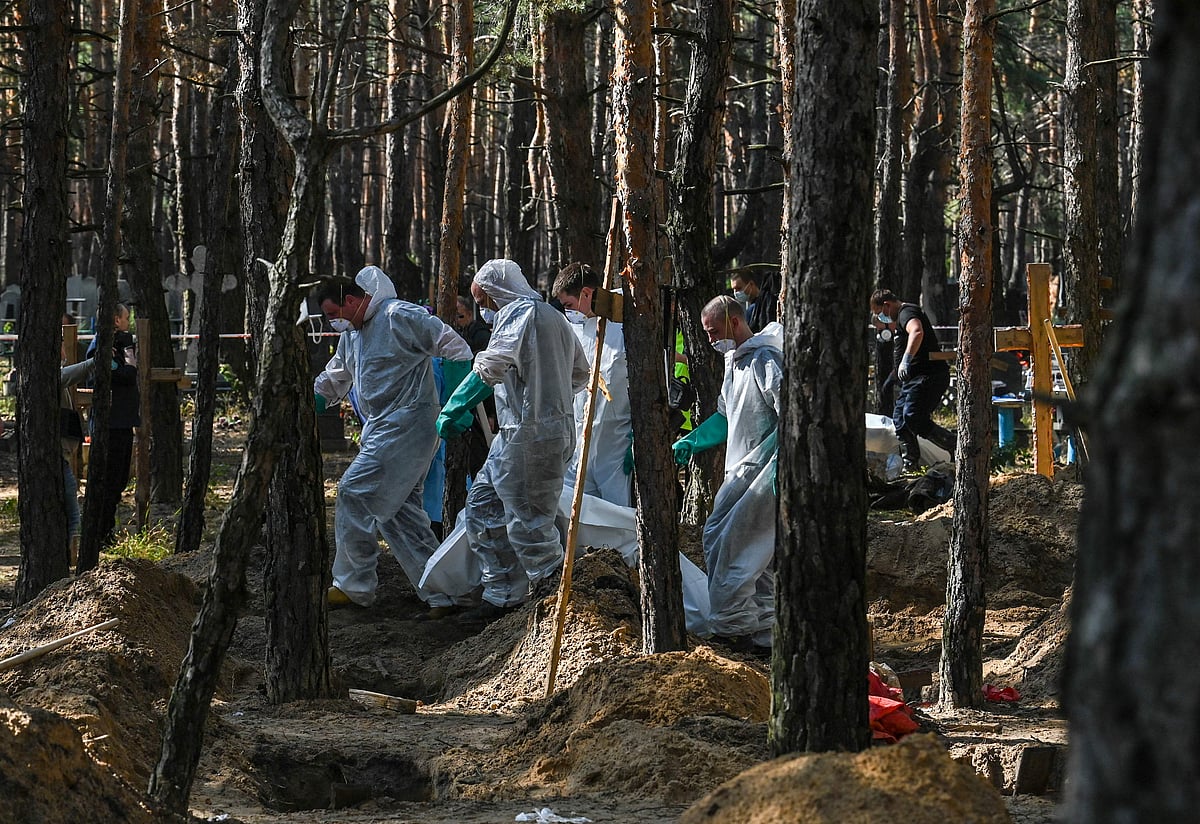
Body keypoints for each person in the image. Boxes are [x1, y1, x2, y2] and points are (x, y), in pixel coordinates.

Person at [314, 265, 473, 609]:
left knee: (354, 492)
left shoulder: (399, 316)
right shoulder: (353, 334)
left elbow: (455, 347)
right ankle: (443, 592)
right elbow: (336, 377)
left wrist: (456, 403)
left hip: (409, 423)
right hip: (381, 427)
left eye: (333, 313)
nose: (332, 322)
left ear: (353, 300)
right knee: (399, 514)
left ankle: (353, 584)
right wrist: (307, 402)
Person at [437, 259, 589, 619]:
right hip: (528, 432)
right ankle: (503, 593)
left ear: (497, 292)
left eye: (485, 300)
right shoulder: (556, 318)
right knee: (483, 505)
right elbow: (580, 372)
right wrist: (549, 396)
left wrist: (454, 406)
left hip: (530, 436)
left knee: (529, 522)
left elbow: (490, 366)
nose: (484, 310)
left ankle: (556, 602)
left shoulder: (520, 314)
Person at [672, 295, 781, 654]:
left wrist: (782, 467)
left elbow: (793, 414)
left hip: (763, 472)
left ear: (735, 322)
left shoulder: (766, 361)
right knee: (758, 558)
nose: (709, 340)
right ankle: (764, 632)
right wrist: (695, 440)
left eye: (713, 331)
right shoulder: (734, 363)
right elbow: (726, 415)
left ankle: (734, 629)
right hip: (742, 470)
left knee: (729, 545)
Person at [552, 262, 632, 507]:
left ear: (586, 293)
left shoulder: (625, 320)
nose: (569, 312)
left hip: (616, 437)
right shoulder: (575, 329)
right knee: (581, 504)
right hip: (581, 434)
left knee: (616, 508)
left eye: (569, 305)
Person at [869, 288, 956, 471]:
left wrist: (906, 360)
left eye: (880, 313)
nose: (882, 318)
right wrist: (894, 375)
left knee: (913, 417)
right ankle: (911, 466)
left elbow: (917, 331)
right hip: (914, 379)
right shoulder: (899, 319)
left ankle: (954, 444)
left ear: (887, 305)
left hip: (928, 375)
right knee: (900, 422)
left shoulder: (906, 312)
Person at [85, 302, 139, 548]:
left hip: (123, 422)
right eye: (126, 318)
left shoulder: (122, 343)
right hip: (109, 424)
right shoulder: (101, 345)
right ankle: (100, 533)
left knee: (119, 480)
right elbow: (122, 374)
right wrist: (126, 355)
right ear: (116, 320)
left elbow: (129, 372)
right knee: (107, 481)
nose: (129, 323)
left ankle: (106, 530)